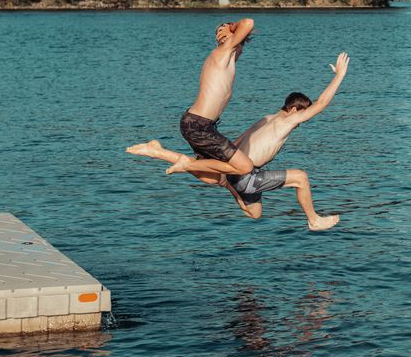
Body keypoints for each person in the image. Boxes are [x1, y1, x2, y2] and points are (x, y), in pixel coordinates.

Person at [128, 52, 349, 231]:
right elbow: (321, 104)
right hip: (247, 176)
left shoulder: (266, 118)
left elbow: (238, 141)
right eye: (302, 115)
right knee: (301, 178)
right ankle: (313, 220)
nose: (302, 121)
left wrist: (223, 168)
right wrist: (339, 75)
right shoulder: (287, 121)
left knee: (255, 213)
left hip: (238, 172)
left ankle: (159, 152)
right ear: (293, 110)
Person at [163, 18, 257, 178]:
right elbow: (248, 22)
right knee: (245, 167)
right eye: (241, 43)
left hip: (200, 124)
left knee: (215, 178)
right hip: (198, 125)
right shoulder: (224, 50)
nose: (242, 49)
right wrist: (230, 28)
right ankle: (187, 163)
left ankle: (158, 151)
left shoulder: (224, 56)